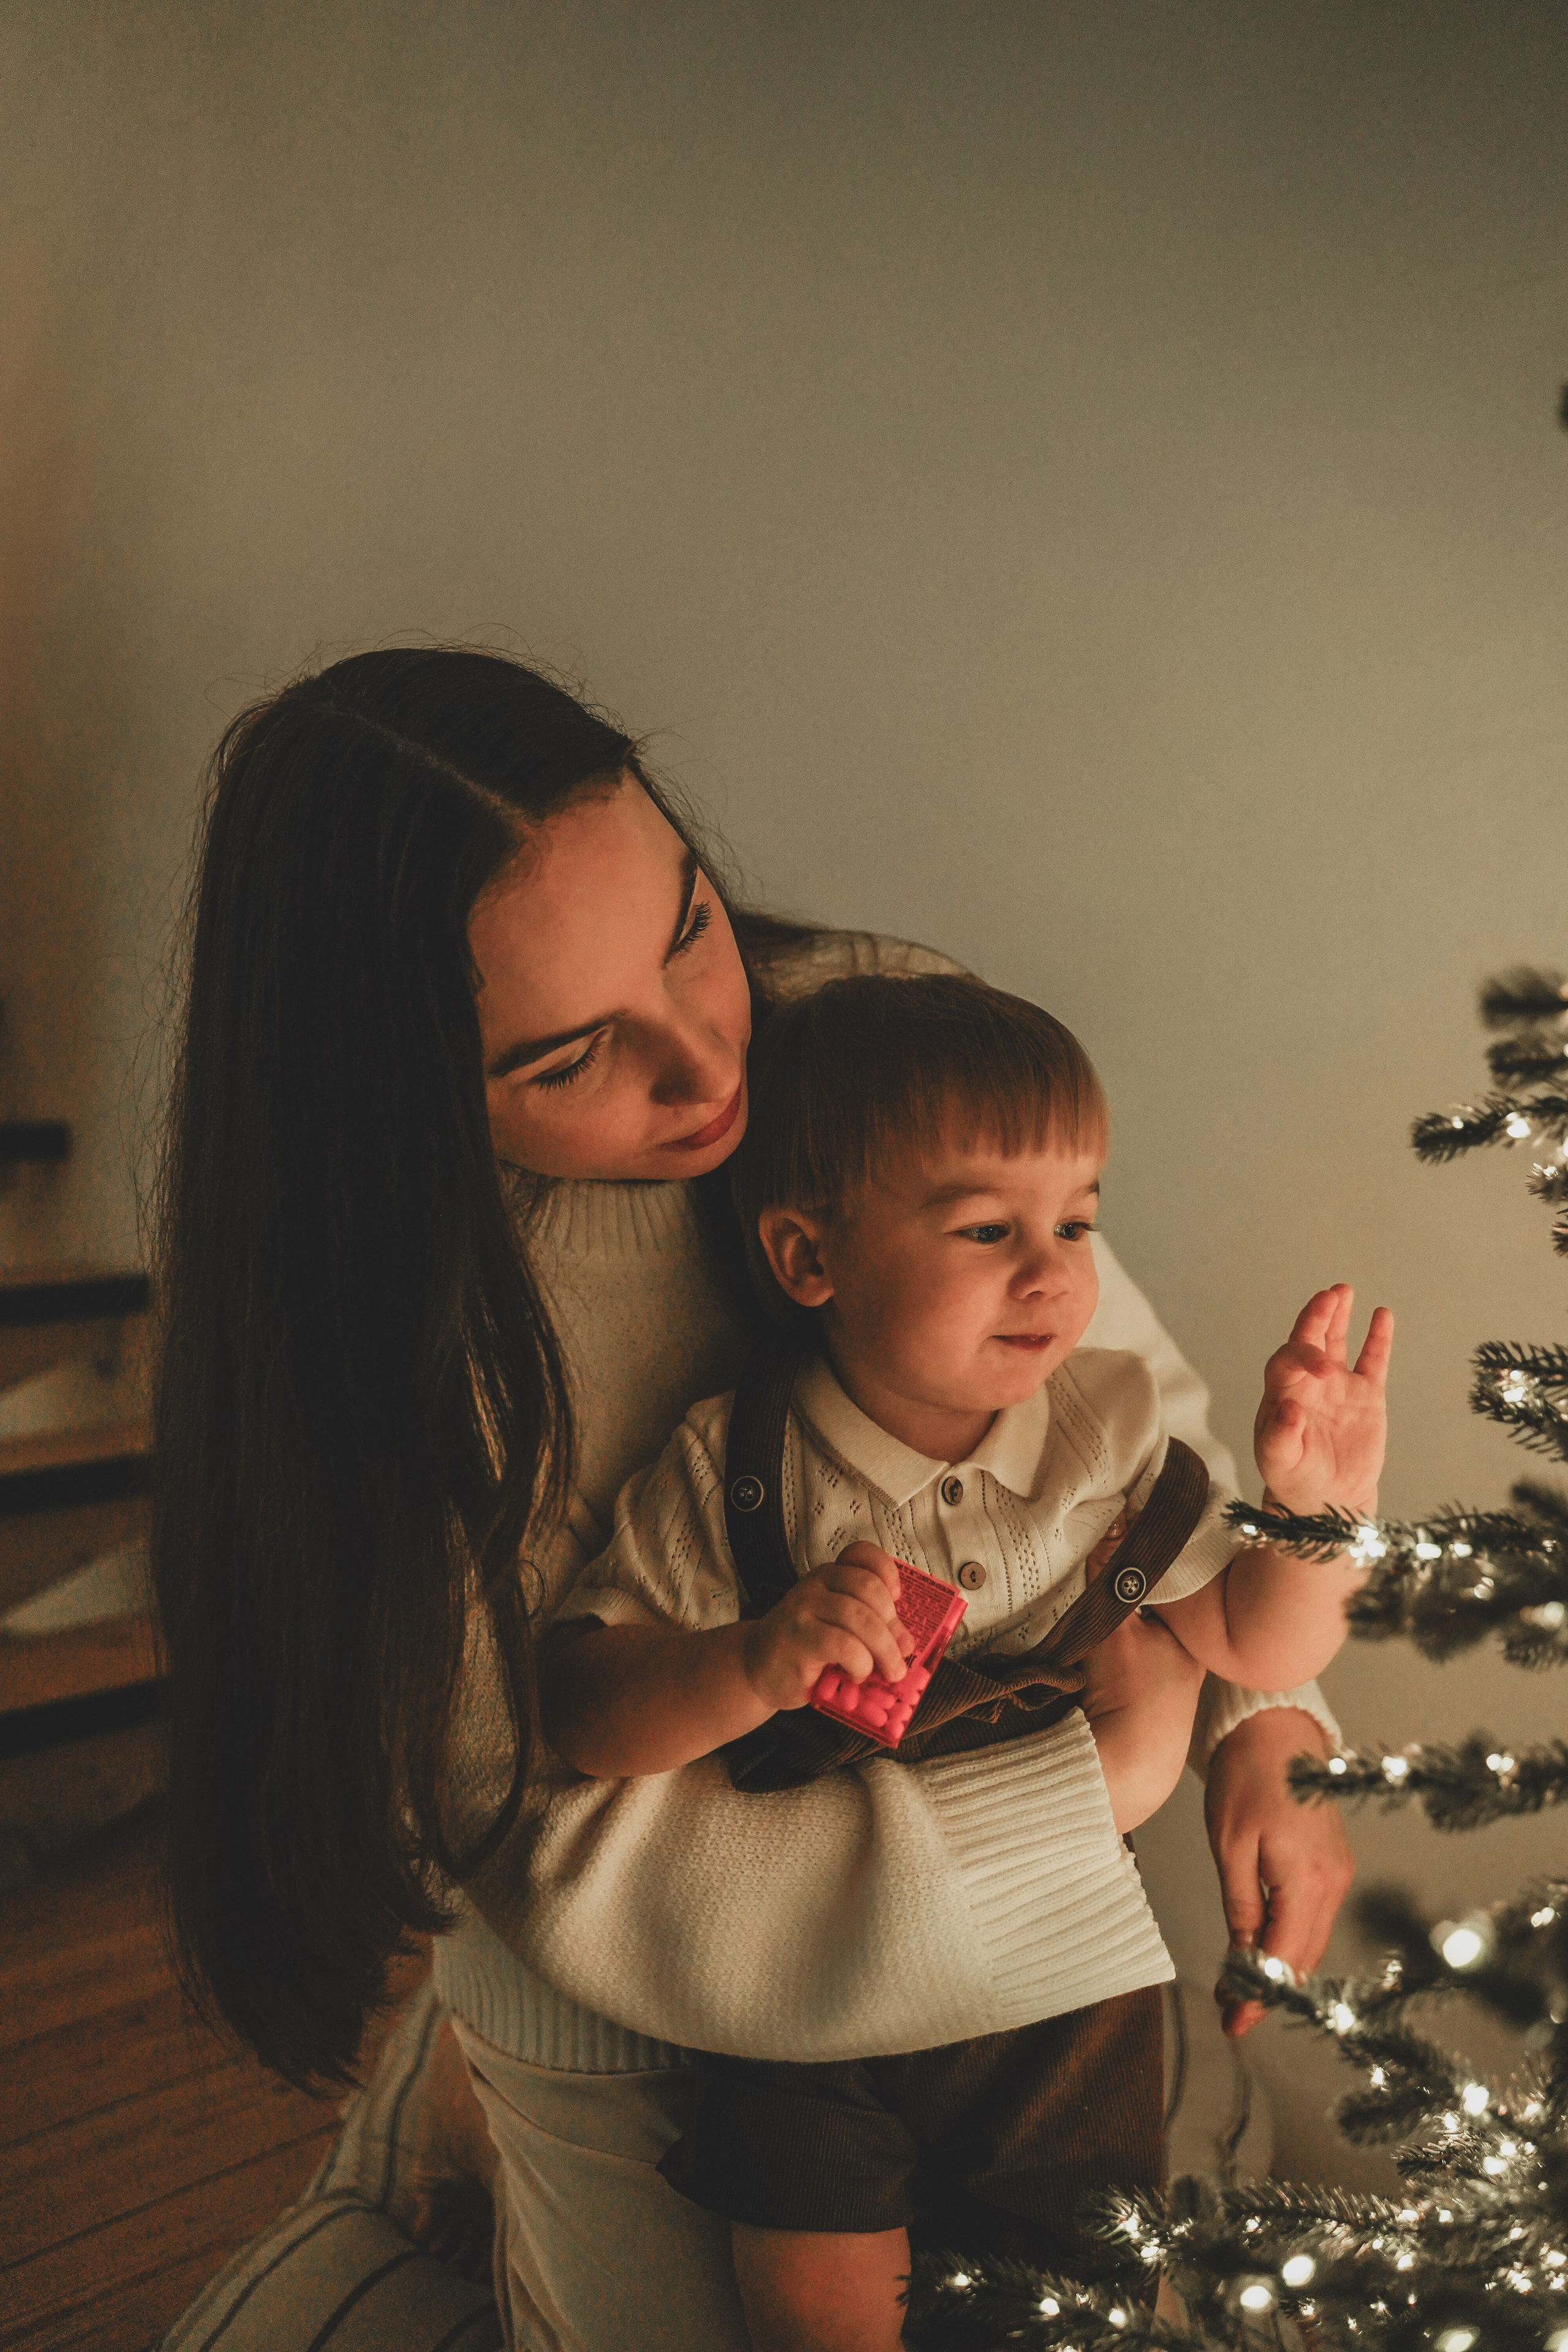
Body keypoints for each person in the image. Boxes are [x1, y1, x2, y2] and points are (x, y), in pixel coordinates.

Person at [151, 646, 1356, 2352]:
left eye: (688, 924)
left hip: (992, 1914)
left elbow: (1125, 1426)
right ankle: (448, 2124)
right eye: (572, 1057)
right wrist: (1108, 1782)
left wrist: (1267, 1715)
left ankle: (439, 2120)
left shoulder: (861, 1026)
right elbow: (558, 1813)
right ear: (401, 1098)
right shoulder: (397, 1355)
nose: (709, 1062)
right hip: (636, 1972)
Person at [542, 973, 1392, 2350]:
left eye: (1077, 1222)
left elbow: (1248, 1639)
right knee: (814, 2311)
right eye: (989, 1229)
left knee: (1078, 2305)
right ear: (810, 1260)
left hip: (1059, 1993)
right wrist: (747, 1664)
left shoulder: (1106, 1436)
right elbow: (585, 1711)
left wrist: (1316, 1517)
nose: (1053, 1273)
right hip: (808, 1981)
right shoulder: (738, 1465)